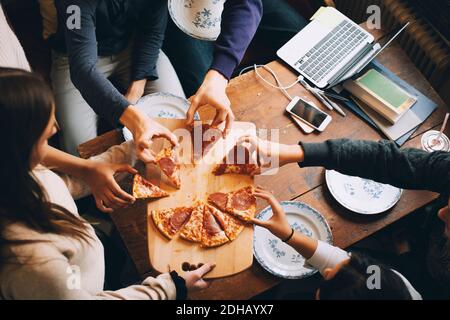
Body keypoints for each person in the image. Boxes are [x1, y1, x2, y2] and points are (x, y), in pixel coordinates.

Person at [0, 67, 214, 299]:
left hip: (86, 253)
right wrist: (170, 288)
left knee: (118, 258)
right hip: (90, 287)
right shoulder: (33, 265)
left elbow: (54, 188)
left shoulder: (15, 173)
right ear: (18, 149)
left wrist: (132, 150)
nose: (56, 129)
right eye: (44, 137)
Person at [240, 136, 450, 298]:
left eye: (328, 276)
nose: (441, 212)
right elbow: (388, 160)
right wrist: (289, 235)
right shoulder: (395, 287)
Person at [49, 0, 182, 158]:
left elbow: (152, 32)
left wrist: (136, 90)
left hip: (131, 48)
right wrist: (132, 118)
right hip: (75, 57)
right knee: (78, 152)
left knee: (182, 123)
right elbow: (82, 69)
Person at [164, 0, 308, 133]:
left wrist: (219, 74)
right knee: (199, 91)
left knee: (305, 45)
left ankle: (238, 80)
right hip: (176, 8)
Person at [251, 187, 421, 299]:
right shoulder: (392, 285)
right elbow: (335, 260)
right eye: (351, 261)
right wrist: (288, 234)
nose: (328, 269)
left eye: (327, 280)